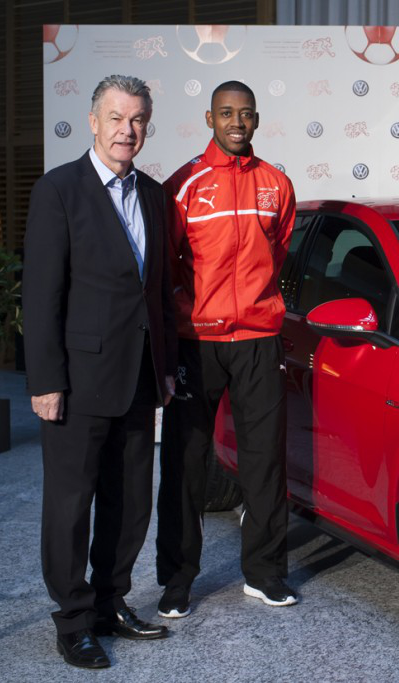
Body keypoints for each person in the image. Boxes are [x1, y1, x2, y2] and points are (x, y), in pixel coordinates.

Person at [23, 74, 177, 669]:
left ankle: (112, 602)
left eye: (137, 119)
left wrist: (165, 368)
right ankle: (73, 620)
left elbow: (158, 292)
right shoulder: (58, 190)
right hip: (77, 381)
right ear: (93, 121)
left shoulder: (155, 196)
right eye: (116, 118)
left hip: (138, 376)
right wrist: (45, 381)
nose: (126, 130)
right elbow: (42, 295)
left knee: (131, 500)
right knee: (71, 506)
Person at [155, 81, 297, 617]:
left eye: (246, 114)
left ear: (257, 119)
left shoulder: (276, 184)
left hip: (258, 340)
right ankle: (177, 580)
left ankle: (265, 573)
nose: (237, 122)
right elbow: (167, 265)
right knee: (186, 463)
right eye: (226, 113)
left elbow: (277, 255)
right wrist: (190, 313)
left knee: (265, 462)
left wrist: (254, 306)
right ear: (209, 118)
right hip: (198, 343)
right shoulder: (184, 184)